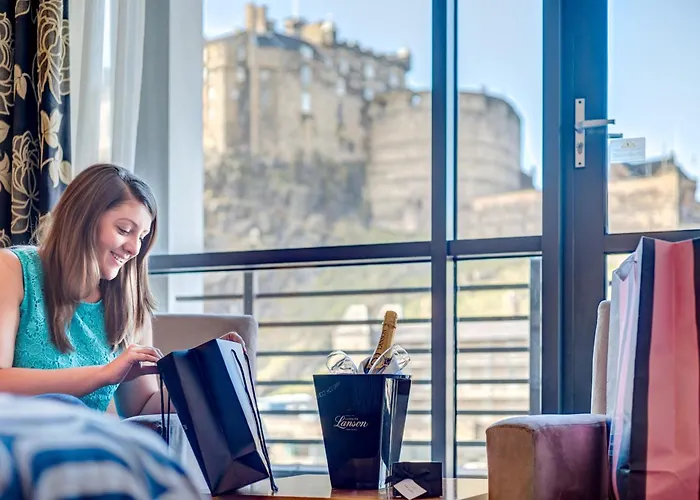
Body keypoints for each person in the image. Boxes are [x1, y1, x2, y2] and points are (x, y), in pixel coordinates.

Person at [0, 163, 244, 416]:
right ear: (82, 220)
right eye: (124, 230)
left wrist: (206, 374)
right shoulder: (11, 270)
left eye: (142, 237)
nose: (134, 249)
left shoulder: (129, 305)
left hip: (87, 437)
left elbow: (142, 409)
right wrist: (104, 374)